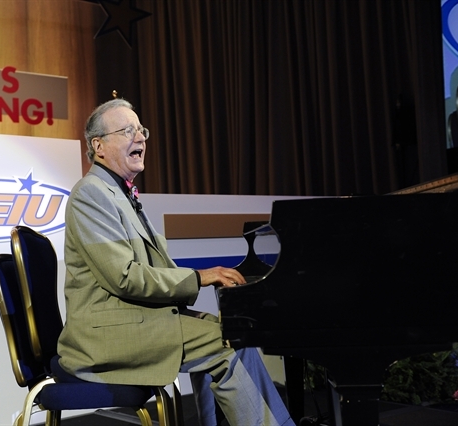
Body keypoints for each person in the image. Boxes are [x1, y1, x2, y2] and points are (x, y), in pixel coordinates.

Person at [56, 98, 296, 426]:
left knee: (232, 332)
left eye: (141, 130)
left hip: (135, 321)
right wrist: (199, 277)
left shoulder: (120, 194)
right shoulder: (91, 193)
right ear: (99, 146)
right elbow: (124, 277)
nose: (140, 138)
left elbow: (154, 269)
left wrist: (200, 279)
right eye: (127, 131)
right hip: (105, 337)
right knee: (226, 344)